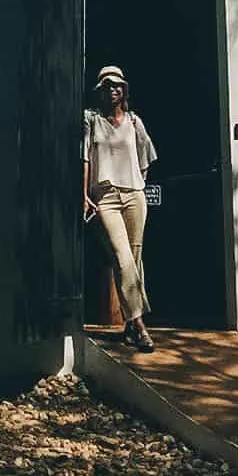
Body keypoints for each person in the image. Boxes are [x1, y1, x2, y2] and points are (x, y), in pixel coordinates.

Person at [83, 63, 157, 351]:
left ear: (124, 89)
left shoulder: (134, 122)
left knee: (134, 260)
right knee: (122, 256)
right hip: (106, 197)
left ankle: (128, 325)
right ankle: (140, 326)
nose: (113, 89)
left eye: (118, 85)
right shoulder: (90, 120)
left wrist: (137, 184)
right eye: (107, 85)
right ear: (100, 90)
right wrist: (84, 193)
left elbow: (145, 158)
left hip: (134, 195)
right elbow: (85, 158)